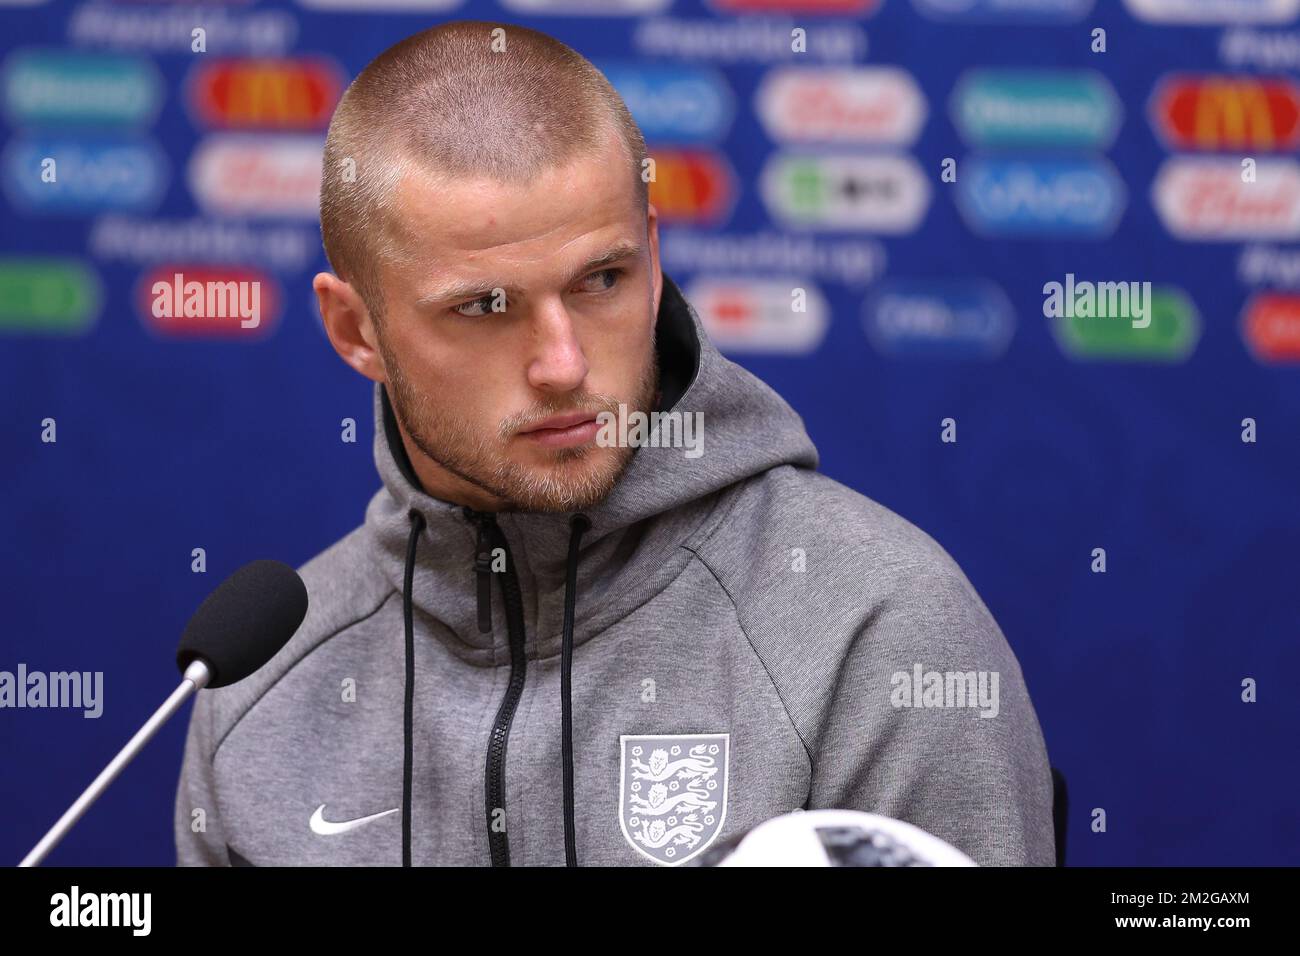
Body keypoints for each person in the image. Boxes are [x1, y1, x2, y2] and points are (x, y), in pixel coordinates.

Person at [174, 20, 1056, 867]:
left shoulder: (877, 627)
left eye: (602, 279)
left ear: (654, 255)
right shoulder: (260, 686)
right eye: (485, 306)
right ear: (354, 329)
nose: (562, 365)